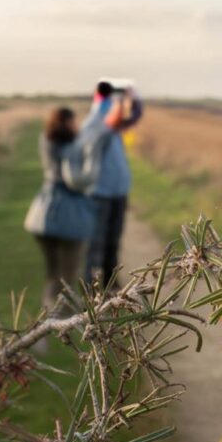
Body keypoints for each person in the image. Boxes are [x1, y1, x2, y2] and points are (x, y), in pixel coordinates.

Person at [24, 107, 114, 316]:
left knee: (53, 274)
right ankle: (61, 320)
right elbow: (79, 180)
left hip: (42, 215)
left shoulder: (46, 142)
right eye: (74, 122)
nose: (78, 126)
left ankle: (47, 317)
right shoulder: (71, 147)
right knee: (67, 275)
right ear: (67, 123)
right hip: (70, 218)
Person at [82, 81, 143, 288]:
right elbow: (112, 121)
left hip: (118, 193)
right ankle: (90, 290)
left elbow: (134, 115)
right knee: (95, 244)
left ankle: (111, 283)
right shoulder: (93, 124)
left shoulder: (114, 126)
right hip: (99, 193)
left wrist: (133, 97)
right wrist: (119, 101)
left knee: (113, 242)